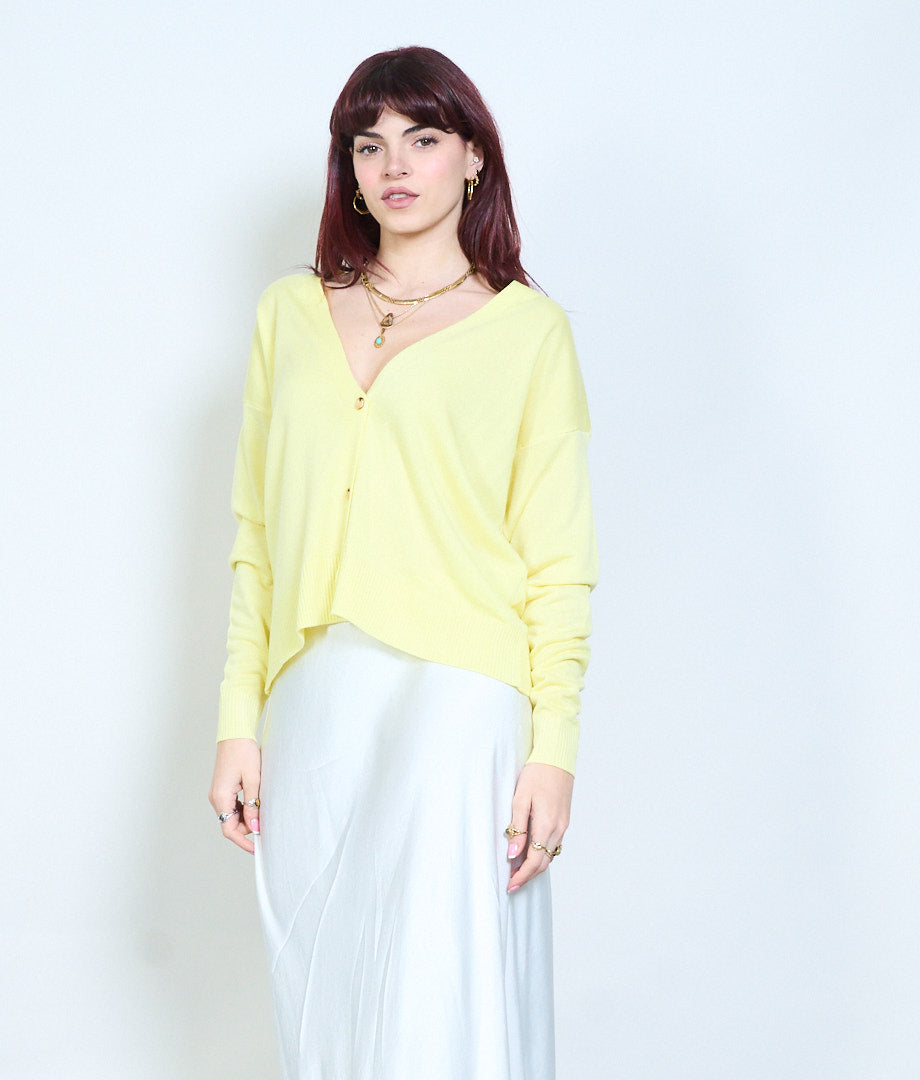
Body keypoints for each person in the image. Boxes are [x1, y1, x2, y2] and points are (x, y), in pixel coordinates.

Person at [208, 45, 598, 1080]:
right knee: (328, 1013)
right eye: (367, 143)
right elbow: (256, 535)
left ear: (474, 158)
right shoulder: (289, 316)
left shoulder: (527, 333)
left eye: (423, 139)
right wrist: (239, 717)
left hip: (460, 695)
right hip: (315, 701)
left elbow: (559, 558)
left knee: (437, 1002)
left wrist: (553, 748)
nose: (394, 165)